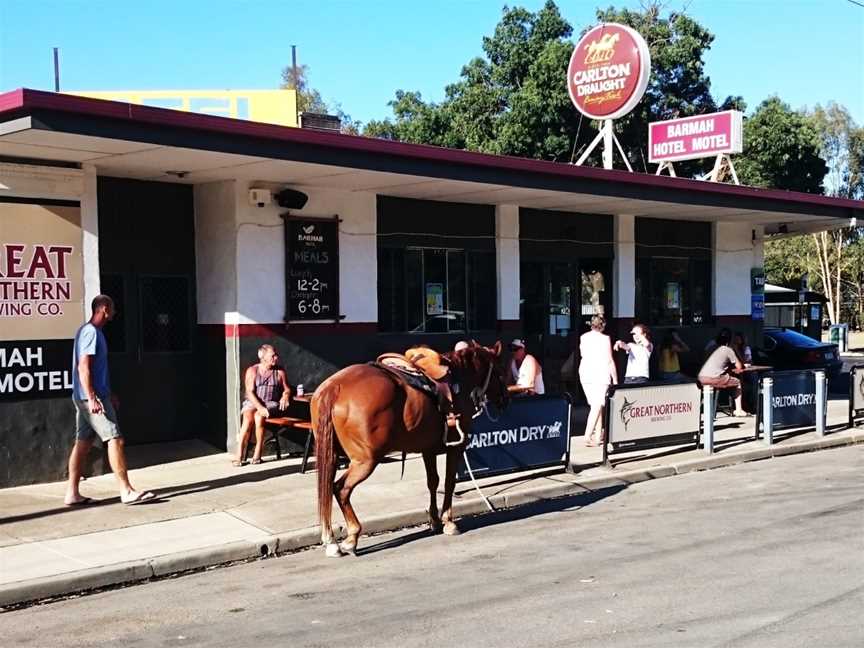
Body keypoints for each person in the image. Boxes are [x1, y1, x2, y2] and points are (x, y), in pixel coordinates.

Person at [65, 295, 154, 506]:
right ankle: (126, 490)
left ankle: (72, 493)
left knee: (83, 444)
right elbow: (83, 367)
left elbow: (95, 370)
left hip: (87, 397)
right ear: (104, 308)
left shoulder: (91, 332)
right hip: (91, 399)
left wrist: (108, 392)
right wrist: (94, 397)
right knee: (115, 439)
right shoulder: (91, 333)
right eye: (112, 308)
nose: (114, 312)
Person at [235, 344, 292, 466]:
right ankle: (239, 453)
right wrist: (260, 407)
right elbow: (249, 392)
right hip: (253, 402)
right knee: (248, 417)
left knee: (259, 416)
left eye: (276, 355)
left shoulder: (279, 372)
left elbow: (286, 389)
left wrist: (285, 396)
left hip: (271, 403)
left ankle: (258, 451)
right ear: (263, 357)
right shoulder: (253, 370)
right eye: (272, 355)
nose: (276, 357)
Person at [578, 315, 618, 447]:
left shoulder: (583, 337)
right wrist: (615, 379)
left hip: (585, 372)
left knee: (596, 405)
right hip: (600, 373)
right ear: (603, 326)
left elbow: (583, 353)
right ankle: (587, 435)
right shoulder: (605, 339)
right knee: (597, 405)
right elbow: (609, 360)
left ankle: (597, 436)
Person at [698, 330, 749, 417]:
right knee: (737, 382)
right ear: (729, 341)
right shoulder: (728, 350)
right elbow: (739, 367)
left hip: (701, 378)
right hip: (715, 379)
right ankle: (739, 410)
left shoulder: (711, 348)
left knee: (725, 379)